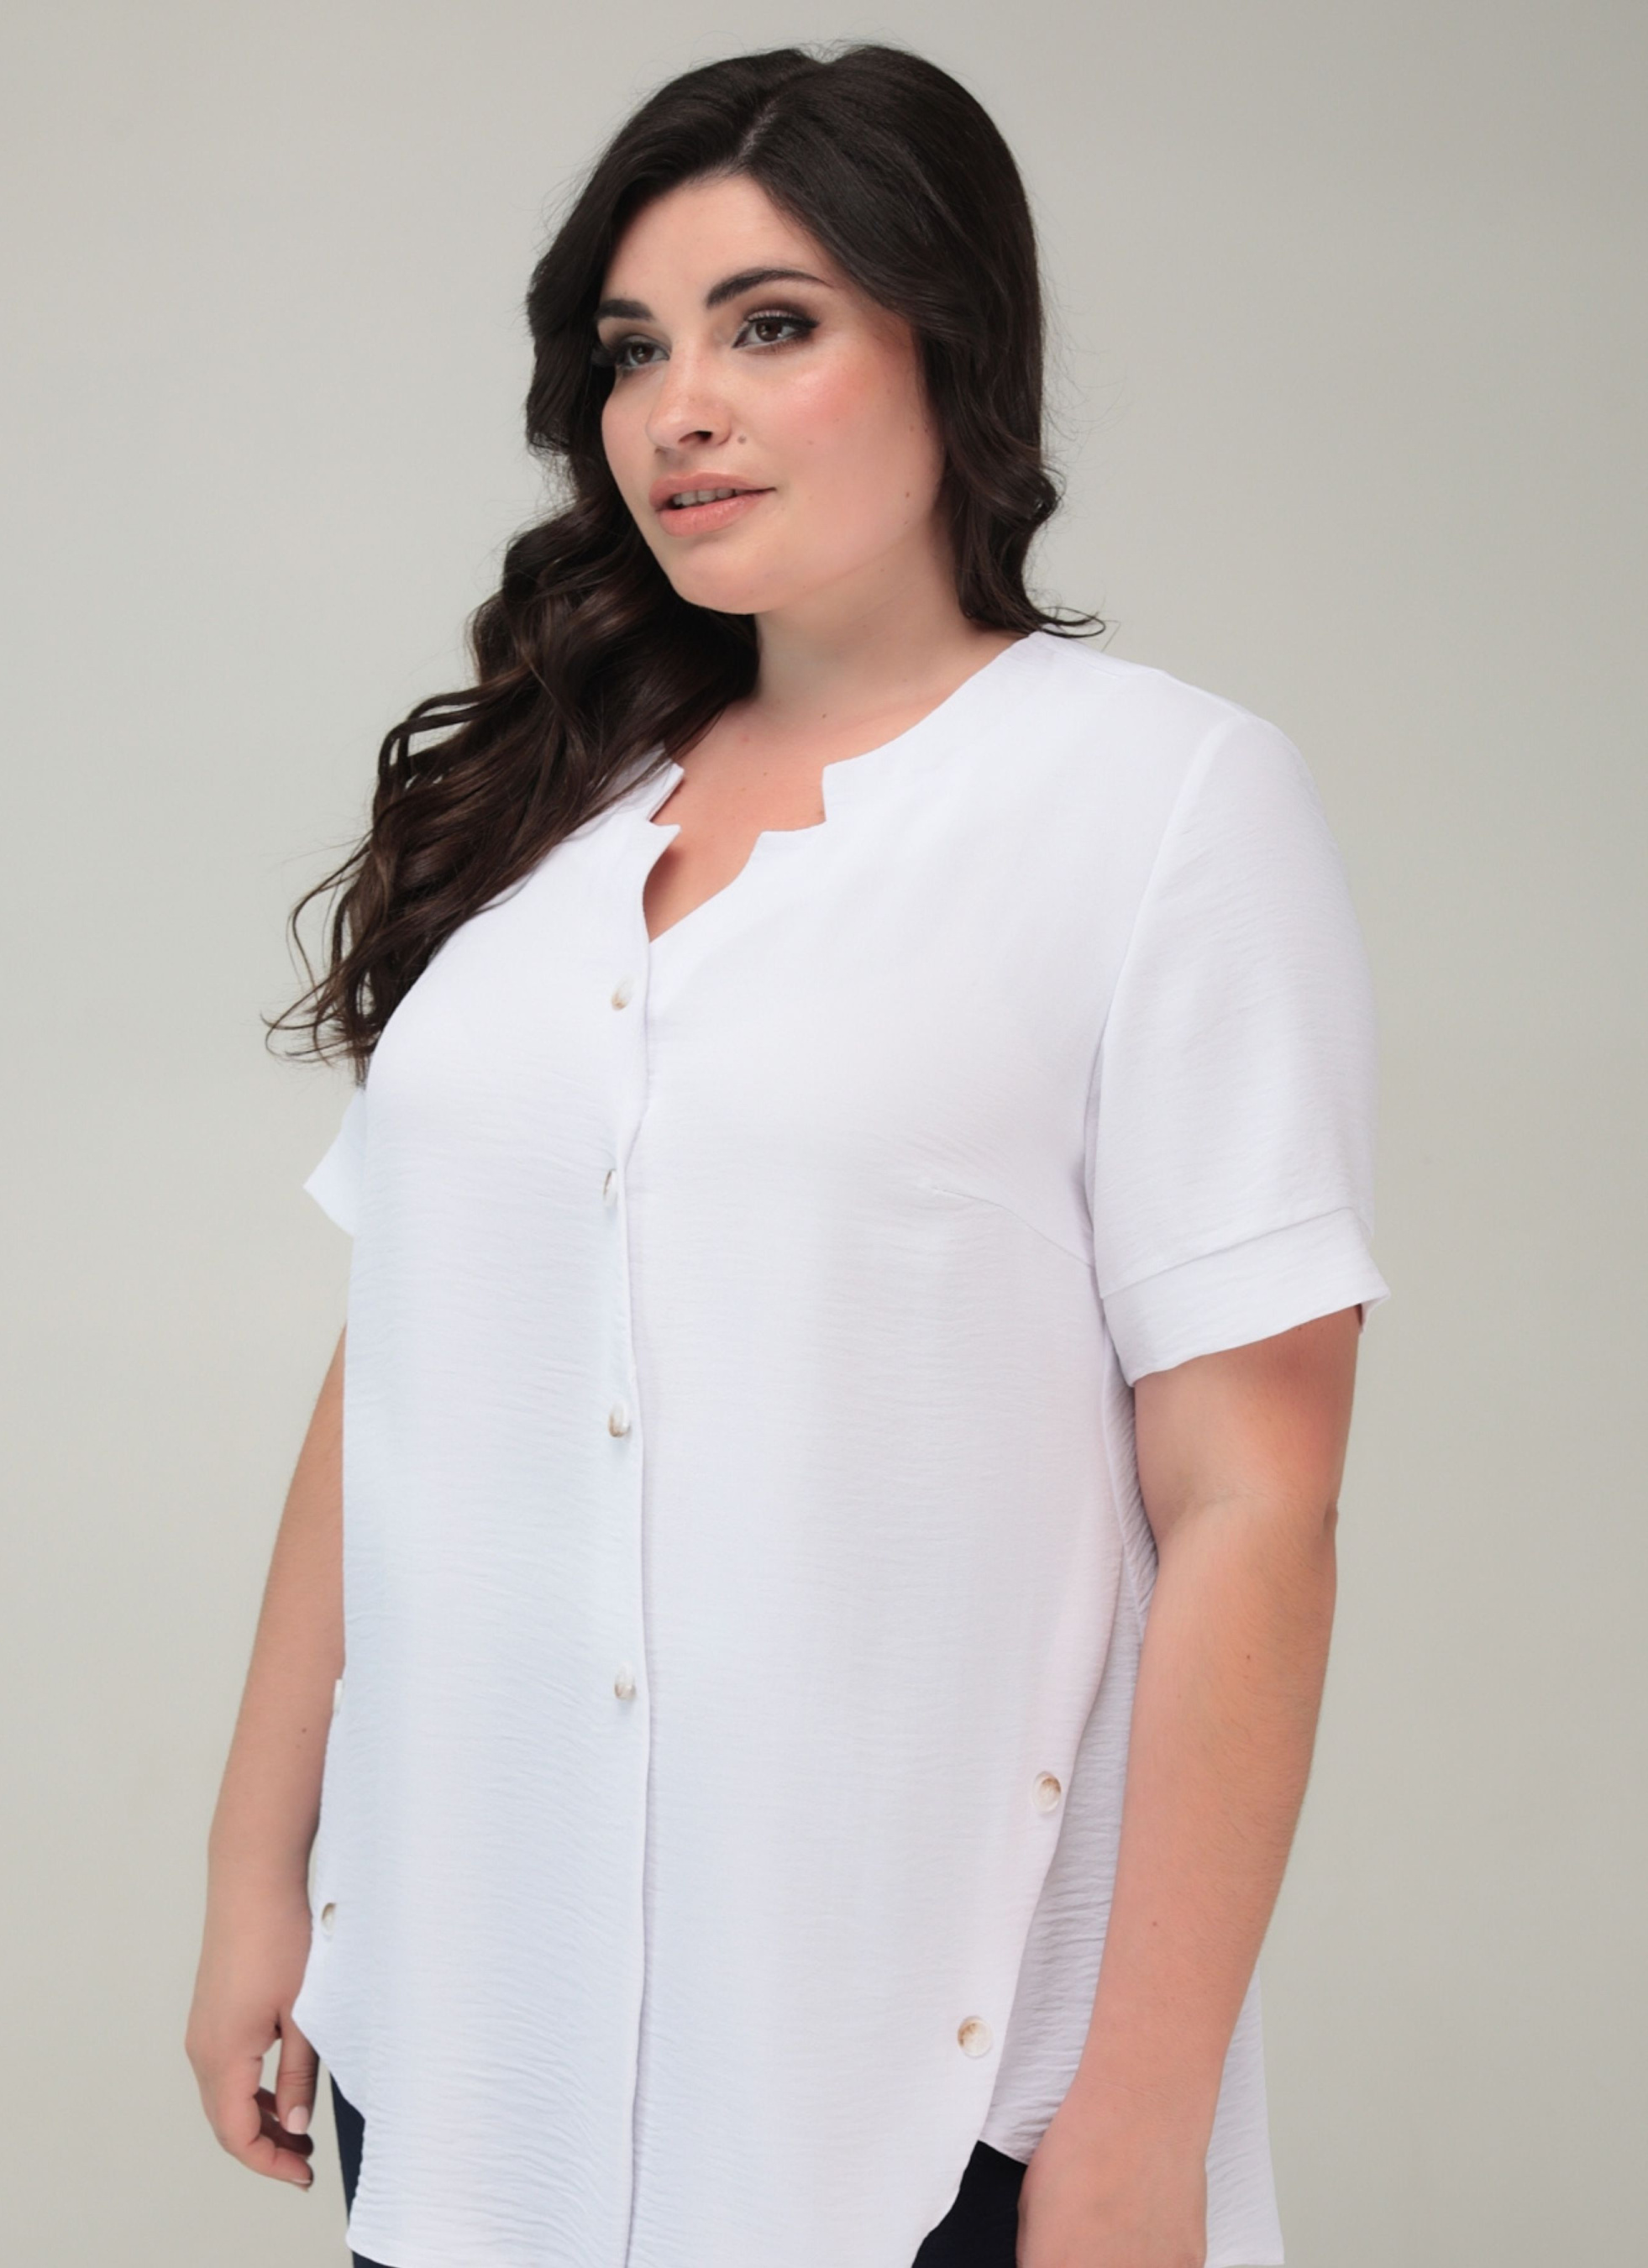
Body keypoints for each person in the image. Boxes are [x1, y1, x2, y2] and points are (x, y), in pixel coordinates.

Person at [185, 40, 1388, 2268]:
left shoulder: (1160, 807)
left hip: (910, 2070)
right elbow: (406, 1362)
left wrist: (1138, 2118)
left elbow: (1252, 1498)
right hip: (469, 2037)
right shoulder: (550, 816)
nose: (679, 411)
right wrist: (260, 1872)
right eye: (633, 349)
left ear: (950, 343)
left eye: (768, 324)